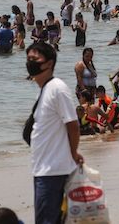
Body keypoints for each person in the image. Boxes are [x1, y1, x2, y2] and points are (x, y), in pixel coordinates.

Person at [24, 42, 82, 224]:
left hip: (53, 170)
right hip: (43, 169)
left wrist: (73, 152)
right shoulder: (45, 90)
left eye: (35, 59)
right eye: (28, 59)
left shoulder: (57, 88)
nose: (30, 62)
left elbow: (72, 124)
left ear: (49, 63)